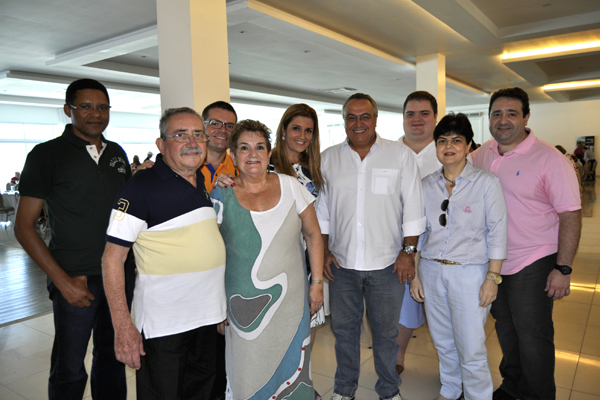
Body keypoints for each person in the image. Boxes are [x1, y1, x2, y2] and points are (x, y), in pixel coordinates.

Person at [15, 78, 133, 400]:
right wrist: (63, 282)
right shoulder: (46, 155)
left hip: (118, 276)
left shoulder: (118, 154)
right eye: (85, 106)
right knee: (69, 368)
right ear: (68, 110)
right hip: (75, 278)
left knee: (112, 359)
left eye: (102, 107)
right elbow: (24, 227)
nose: (95, 113)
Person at [102, 107, 226, 400]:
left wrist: (220, 307)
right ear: (161, 144)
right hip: (165, 327)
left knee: (205, 393)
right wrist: (123, 327)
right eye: (180, 135)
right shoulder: (139, 188)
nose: (192, 142)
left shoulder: (201, 182)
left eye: (198, 135)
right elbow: (112, 259)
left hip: (208, 320)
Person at [471, 87, 581, 400]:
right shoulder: (482, 154)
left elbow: (571, 215)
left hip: (532, 260)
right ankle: (512, 385)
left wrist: (563, 267)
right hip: (494, 262)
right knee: (505, 327)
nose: (503, 120)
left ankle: (538, 394)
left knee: (533, 334)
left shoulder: (549, 158)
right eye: (496, 114)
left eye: (511, 113)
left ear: (526, 117)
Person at [317, 93, 425, 400]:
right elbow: (323, 213)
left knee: (386, 335)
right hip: (342, 265)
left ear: (376, 119)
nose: (358, 123)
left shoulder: (400, 155)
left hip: (388, 265)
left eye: (365, 116)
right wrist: (324, 251)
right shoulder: (328, 158)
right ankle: (344, 389)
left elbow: (414, 210)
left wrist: (408, 255)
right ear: (344, 122)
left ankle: (389, 390)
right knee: (344, 333)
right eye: (351, 117)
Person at [210, 119, 324, 400]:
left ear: (269, 153)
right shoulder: (220, 195)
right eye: (244, 148)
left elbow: (313, 235)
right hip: (242, 309)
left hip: (291, 302)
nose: (253, 154)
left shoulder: (291, 186)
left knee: (291, 368)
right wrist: (216, 304)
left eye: (260, 147)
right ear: (233, 155)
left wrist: (317, 283)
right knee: (248, 373)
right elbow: (212, 255)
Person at [410, 113, 508, 400]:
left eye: (456, 140)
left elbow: (498, 232)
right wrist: (415, 275)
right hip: (431, 271)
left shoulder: (486, 183)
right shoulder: (426, 185)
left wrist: (492, 278)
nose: (448, 147)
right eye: (442, 141)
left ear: (468, 146)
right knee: (442, 341)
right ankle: (451, 389)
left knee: (471, 345)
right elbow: (420, 233)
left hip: (470, 274)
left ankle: (479, 395)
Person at [395, 90, 441, 375]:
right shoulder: (389, 151)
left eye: (424, 113)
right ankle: (398, 355)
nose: (417, 119)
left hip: (437, 245)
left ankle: (452, 370)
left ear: (435, 117)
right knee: (402, 304)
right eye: (410, 113)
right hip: (396, 243)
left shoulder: (446, 151)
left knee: (440, 309)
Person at [201, 101, 238, 193]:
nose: (223, 130)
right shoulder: (187, 167)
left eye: (230, 126)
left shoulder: (240, 169)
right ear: (202, 126)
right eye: (215, 123)